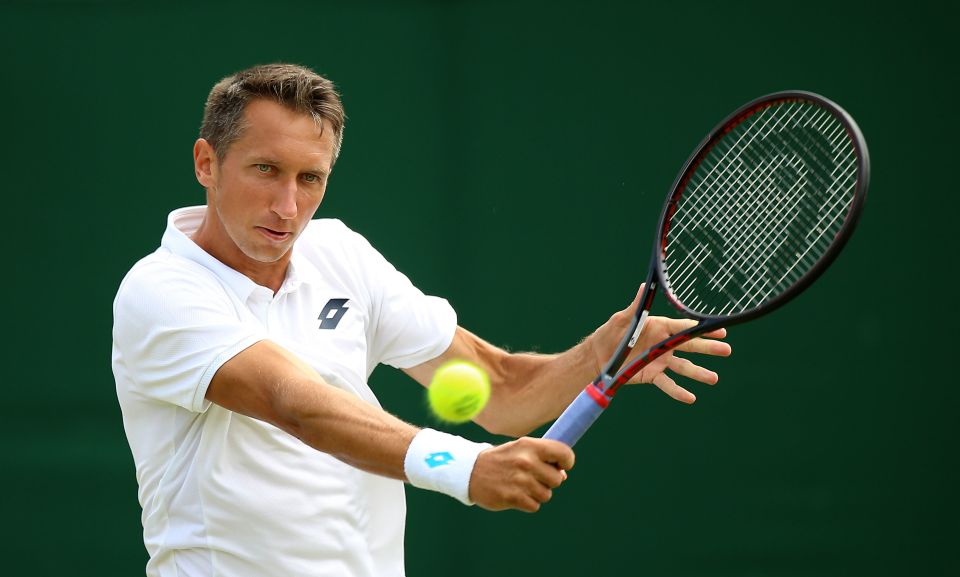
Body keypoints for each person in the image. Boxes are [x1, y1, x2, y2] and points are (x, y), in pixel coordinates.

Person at [112, 63, 731, 577]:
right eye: (266, 170)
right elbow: (297, 402)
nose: (287, 206)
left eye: (311, 178)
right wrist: (465, 468)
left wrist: (603, 353)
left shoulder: (339, 253)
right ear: (206, 163)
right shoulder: (160, 292)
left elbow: (500, 390)